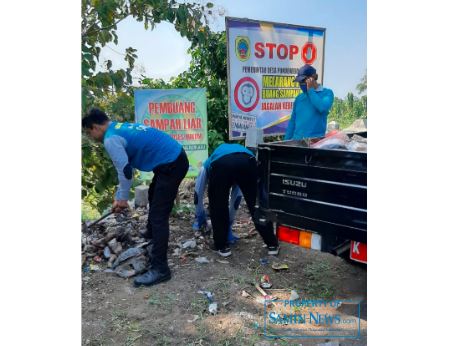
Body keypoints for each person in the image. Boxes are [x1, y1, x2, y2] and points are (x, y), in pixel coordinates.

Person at [82, 109, 189, 287]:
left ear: (95, 127)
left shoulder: (110, 139)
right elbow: (128, 168)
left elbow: (125, 172)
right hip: (172, 158)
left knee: (158, 216)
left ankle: (161, 269)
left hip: (171, 163)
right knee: (154, 195)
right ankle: (151, 234)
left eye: (88, 133)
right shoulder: (117, 127)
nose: (91, 137)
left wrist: (121, 198)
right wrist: (120, 196)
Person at [204, 143, 279, 257]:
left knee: (218, 204)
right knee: (256, 204)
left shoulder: (210, 161)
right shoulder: (240, 149)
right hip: (247, 161)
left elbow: (201, 187)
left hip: (222, 164)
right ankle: (272, 244)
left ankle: (222, 247)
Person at [192, 166, 241, 244]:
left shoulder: (242, 170)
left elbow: (236, 200)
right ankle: (200, 220)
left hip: (234, 170)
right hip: (213, 168)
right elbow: (198, 195)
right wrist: (200, 217)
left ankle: (226, 227)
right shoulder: (207, 169)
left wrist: (228, 224)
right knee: (199, 196)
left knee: (235, 201)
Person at [285, 64, 334, 140]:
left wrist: (310, 90)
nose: (301, 84)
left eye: (303, 81)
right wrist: (285, 143)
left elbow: (322, 108)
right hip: (297, 142)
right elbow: (292, 122)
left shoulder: (327, 93)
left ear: (313, 78)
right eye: (299, 82)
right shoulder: (299, 98)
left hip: (315, 143)